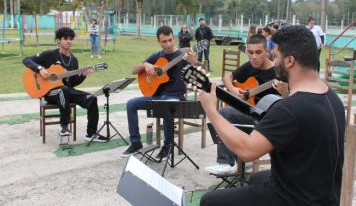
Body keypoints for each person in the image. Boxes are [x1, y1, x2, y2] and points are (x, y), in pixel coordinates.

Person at [199, 26, 345, 206]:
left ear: (290, 60)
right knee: (256, 179)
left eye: (275, 56)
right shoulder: (332, 98)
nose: (273, 62)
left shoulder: (288, 109)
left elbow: (247, 151)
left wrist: (211, 111)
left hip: (296, 199)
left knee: (210, 201)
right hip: (323, 193)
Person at [204, 34, 289, 175]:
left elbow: (292, 98)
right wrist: (233, 89)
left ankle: (226, 162)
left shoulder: (278, 73)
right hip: (250, 111)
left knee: (225, 113)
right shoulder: (250, 66)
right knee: (227, 112)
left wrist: (286, 91)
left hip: (267, 117)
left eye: (258, 52)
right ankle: (241, 161)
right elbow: (227, 77)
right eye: (250, 52)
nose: (254, 57)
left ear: (267, 52)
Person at [121, 25, 199, 161]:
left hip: (176, 97)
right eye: (164, 41)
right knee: (131, 104)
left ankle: (167, 146)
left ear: (173, 38)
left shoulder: (183, 54)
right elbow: (134, 70)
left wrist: (194, 63)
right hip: (157, 96)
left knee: (166, 106)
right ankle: (136, 143)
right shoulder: (157, 56)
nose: (168, 44)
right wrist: (145, 65)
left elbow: (198, 74)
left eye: (170, 40)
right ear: (158, 41)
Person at [23, 27, 107, 142]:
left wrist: (83, 75)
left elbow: (72, 83)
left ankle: (91, 134)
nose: (69, 41)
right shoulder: (50, 55)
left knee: (91, 98)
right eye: (65, 38)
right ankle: (64, 127)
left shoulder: (74, 60)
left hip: (66, 91)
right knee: (63, 90)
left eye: (71, 39)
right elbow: (26, 60)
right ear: (59, 40)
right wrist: (40, 69)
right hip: (49, 93)